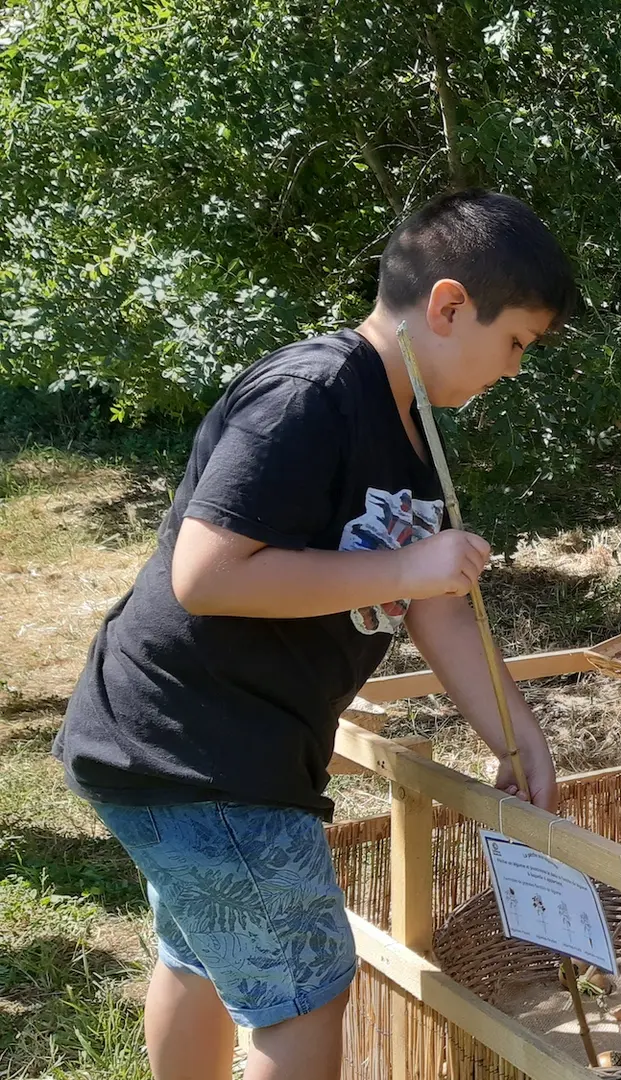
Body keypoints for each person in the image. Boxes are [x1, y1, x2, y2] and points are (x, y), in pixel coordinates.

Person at [50, 189, 577, 1080]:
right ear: (449, 307)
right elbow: (207, 575)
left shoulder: (415, 439)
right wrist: (407, 570)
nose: (515, 369)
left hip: (197, 747)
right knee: (305, 999)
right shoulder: (316, 392)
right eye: (516, 342)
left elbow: (435, 606)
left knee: (203, 958)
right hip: (201, 750)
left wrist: (517, 736)